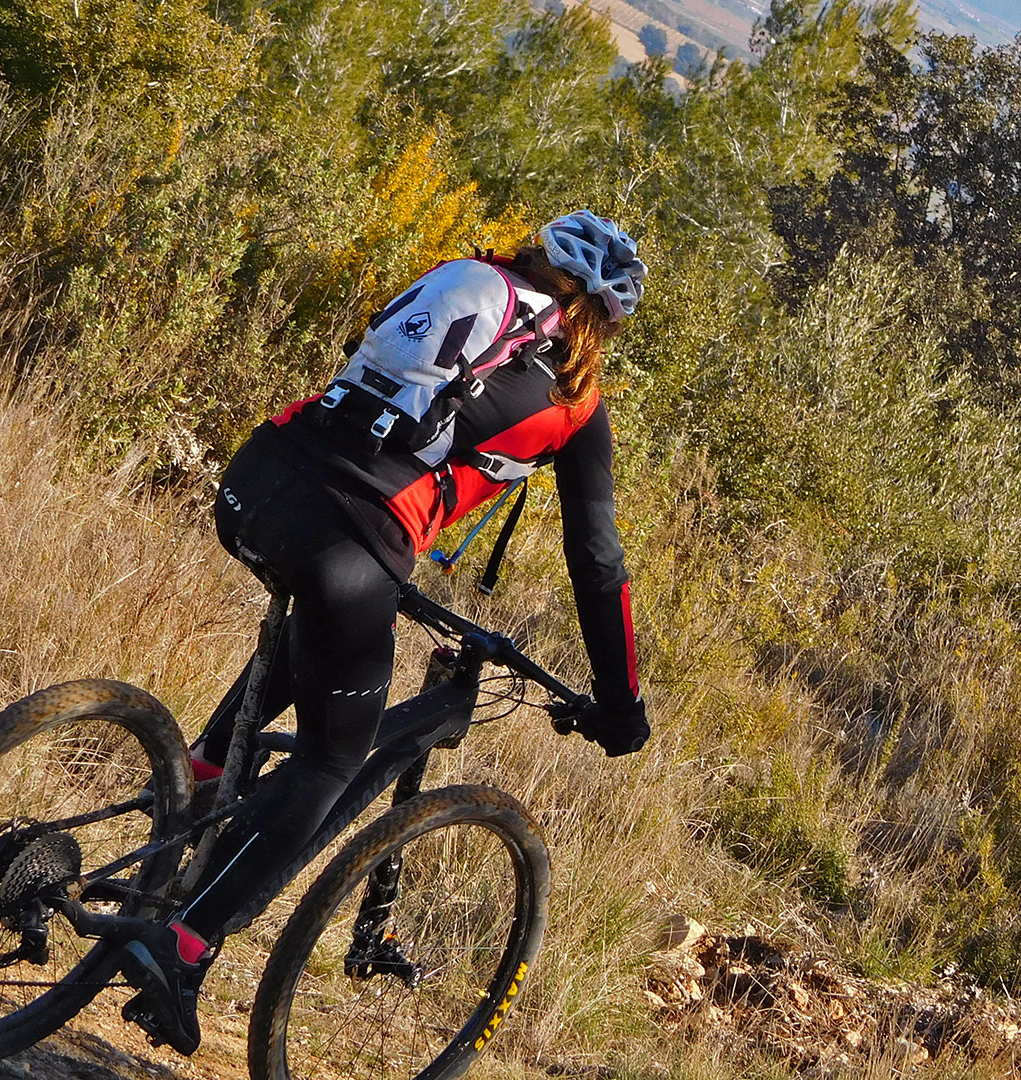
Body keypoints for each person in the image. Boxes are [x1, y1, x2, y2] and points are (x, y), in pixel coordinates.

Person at [116, 210, 652, 1054]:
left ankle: (183, 811)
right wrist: (618, 702)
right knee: (335, 753)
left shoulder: (463, 283)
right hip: (354, 541)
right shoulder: (574, 400)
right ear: (600, 316)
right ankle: (182, 943)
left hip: (256, 477)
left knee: (323, 641)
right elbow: (598, 564)